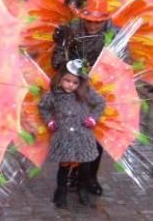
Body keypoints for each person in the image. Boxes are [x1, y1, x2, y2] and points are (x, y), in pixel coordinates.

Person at [40, 60, 106, 209]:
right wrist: (49, 121)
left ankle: (82, 189)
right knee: (64, 165)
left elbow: (100, 103)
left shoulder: (85, 94)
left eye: (75, 83)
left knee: (84, 164)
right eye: (67, 81)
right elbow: (43, 107)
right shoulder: (53, 95)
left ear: (80, 84)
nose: (70, 85)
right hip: (63, 137)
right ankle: (61, 192)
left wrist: (92, 118)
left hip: (83, 136)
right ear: (60, 78)